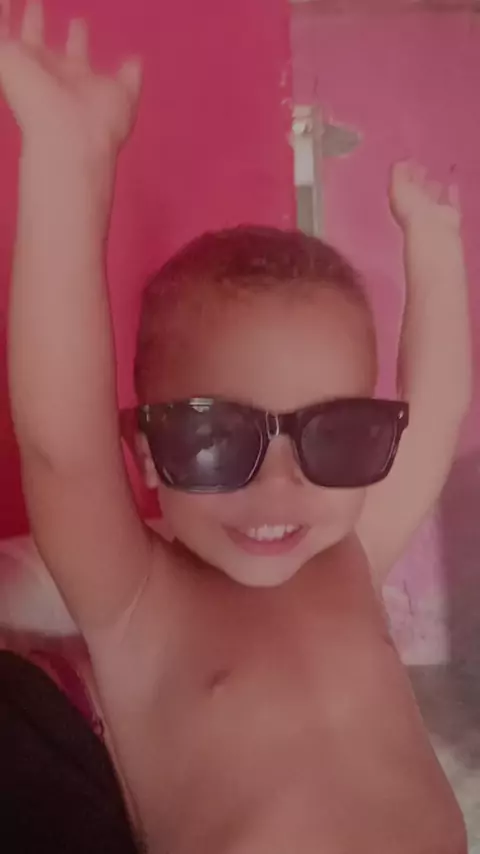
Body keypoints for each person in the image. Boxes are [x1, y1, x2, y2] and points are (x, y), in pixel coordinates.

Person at [0, 2, 471, 852]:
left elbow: (435, 412)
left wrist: (435, 251)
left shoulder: (352, 556)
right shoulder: (136, 601)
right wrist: (70, 166)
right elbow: (61, 450)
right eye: (214, 440)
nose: (280, 485)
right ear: (145, 455)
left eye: (338, 437)